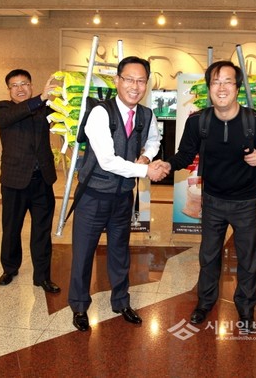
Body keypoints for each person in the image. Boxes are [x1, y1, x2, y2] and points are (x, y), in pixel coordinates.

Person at [154, 61, 256, 330]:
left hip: (246, 202)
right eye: (216, 82)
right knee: (208, 256)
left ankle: (246, 308)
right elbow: (185, 154)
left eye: (228, 81)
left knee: (248, 259)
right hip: (213, 201)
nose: (222, 87)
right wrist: (167, 164)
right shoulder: (198, 121)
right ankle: (205, 303)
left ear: (237, 88)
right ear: (209, 88)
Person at [68, 56, 167, 332]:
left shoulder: (146, 114)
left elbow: (154, 140)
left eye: (141, 81)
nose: (135, 86)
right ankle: (79, 306)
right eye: (129, 79)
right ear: (117, 81)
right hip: (93, 195)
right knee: (83, 253)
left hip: (123, 196)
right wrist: (146, 171)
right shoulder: (100, 113)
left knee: (120, 252)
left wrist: (146, 157)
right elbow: (107, 160)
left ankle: (121, 301)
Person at [0, 69, 61, 294]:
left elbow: (68, 118)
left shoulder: (45, 108)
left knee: (42, 231)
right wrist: (41, 98)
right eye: (15, 85)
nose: (20, 88)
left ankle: (42, 276)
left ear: (31, 86)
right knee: (11, 228)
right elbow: (13, 116)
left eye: (24, 84)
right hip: (14, 181)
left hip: (42, 180)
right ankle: (9, 268)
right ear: (8, 90)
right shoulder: (2, 108)